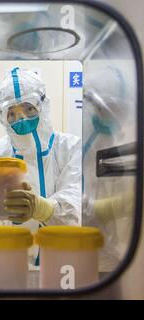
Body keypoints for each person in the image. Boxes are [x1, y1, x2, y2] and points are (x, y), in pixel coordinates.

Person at [0, 67, 82, 263]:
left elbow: (78, 209)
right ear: (3, 117)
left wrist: (41, 208)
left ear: (43, 106)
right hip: (11, 267)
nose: (21, 118)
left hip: (63, 265)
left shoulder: (71, 148)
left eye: (28, 108)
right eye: (12, 113)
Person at [82, 65, 135, 272]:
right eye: (104, 107)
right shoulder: (83, 132)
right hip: (79, 244)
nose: (114, 115)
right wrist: (94, 208)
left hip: (114, 251)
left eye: (121, 109)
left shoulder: (124, 135)